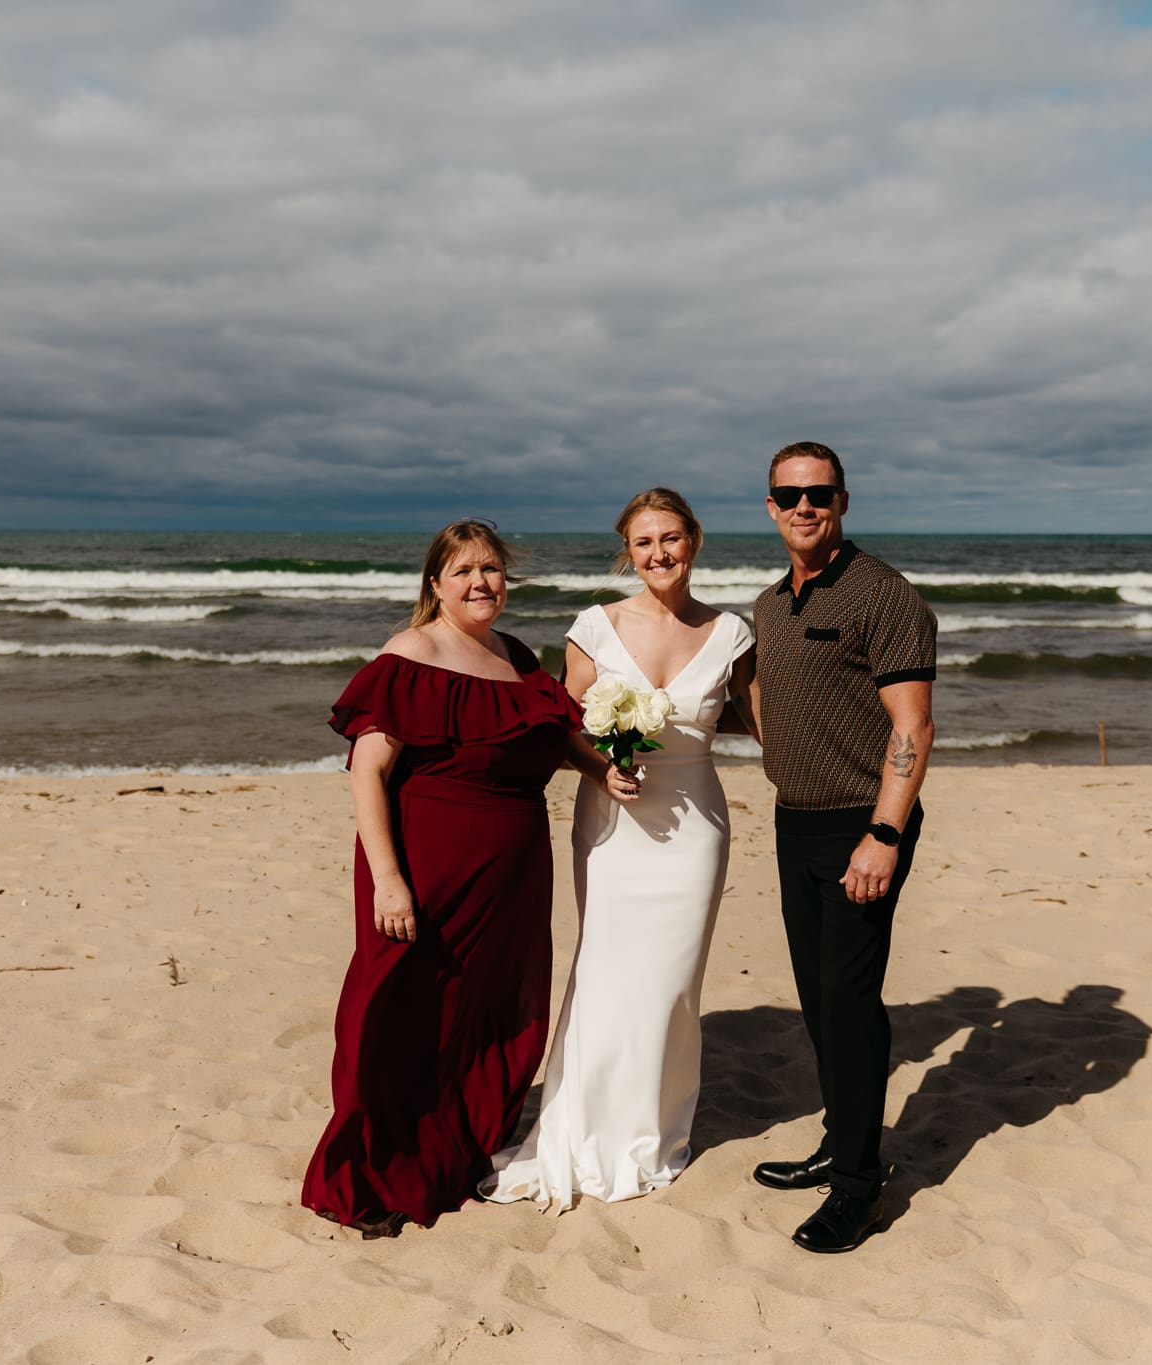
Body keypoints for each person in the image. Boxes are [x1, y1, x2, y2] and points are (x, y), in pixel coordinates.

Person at [300, 519, 583, 1236]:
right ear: (435, 584)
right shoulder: (412, 653)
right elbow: (369, 770)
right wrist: (389, 879)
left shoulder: (516, 657)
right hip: (427, 866)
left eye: (491, 569)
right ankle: (378, 1172)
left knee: (488, 1010)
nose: (480, 582)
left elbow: (548, 734)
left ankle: (458, 1150)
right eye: (462, 571)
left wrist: (609, 763)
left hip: (512, 878)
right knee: (398, 1009)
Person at [485, 488, 759, 1211]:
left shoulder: (733, 632)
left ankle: (651, 1128)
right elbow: (563, 724)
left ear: (694, 540)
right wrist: (600, 764)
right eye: (645, 542)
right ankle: (585, 1125)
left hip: (696, 824)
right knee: (607, 967)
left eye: (671, 537)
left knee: (672, 981)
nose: (660, 553)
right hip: (612, 820)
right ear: (628, 552)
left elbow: (767, 726)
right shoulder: (594, 628)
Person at [748, 441, 937, 1254]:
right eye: (789, 496)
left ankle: (859, 1187)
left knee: (852, 1006)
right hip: (795, 820)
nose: (804, 507)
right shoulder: (766, 603)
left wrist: (885, 834)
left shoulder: (883, 596)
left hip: (864, 823)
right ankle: (839, 1139)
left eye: (819, 494)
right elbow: (765, 700)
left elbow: (913, 725)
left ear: (843, 501)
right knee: (820, 1001)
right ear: (770, 507)